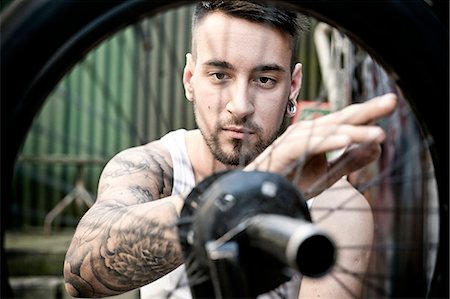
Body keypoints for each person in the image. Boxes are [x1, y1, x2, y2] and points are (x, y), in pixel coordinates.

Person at [63, 1, 397, 298]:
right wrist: (256, 184)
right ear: (190, 78)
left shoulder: (333, 205)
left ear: (292, 86)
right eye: (220, 75)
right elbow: (81, 277)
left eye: (265, 79)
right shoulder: (154, 167)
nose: (240, 106)